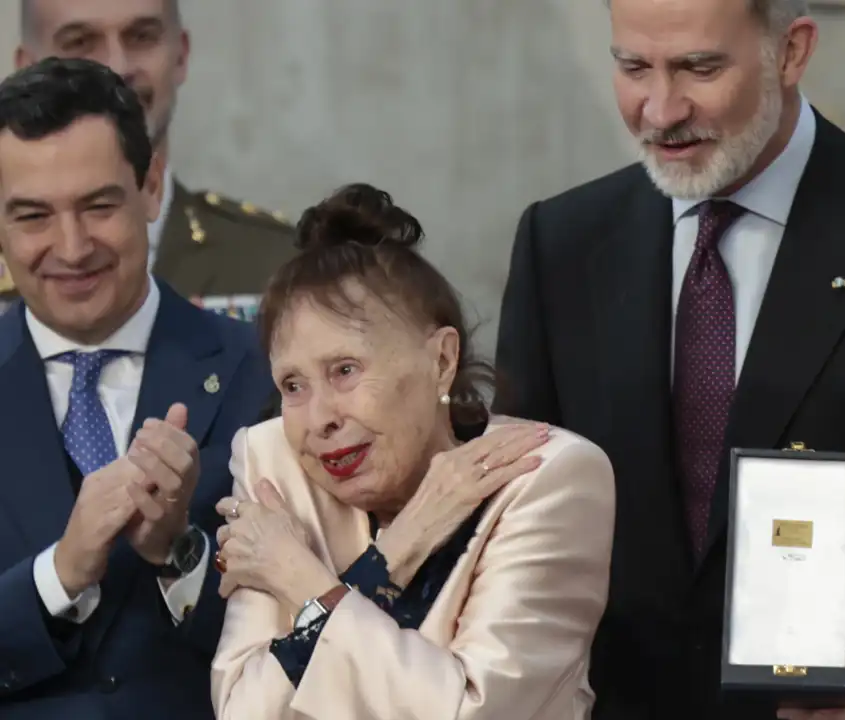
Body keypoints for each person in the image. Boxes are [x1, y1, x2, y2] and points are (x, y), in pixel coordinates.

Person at [493, 0, 845, 718]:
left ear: (792, 51)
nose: (660, 109)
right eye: (633, 68)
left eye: (699, 68)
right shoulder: (559, 245)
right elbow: (523, 533)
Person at [209, 183, 616, 719]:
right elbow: (244, 714)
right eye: (292, 385)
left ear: (442, 360)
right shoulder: (275, 464)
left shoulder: (548, 477)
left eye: (345, 370)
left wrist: (299, 578)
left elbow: (473, 713)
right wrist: (394, 554)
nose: (320, 417)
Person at [0, 57, 274, 719]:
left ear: (150, 186)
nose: (70, 247)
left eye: (98, 206)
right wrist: (58, 574)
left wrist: (179, 554)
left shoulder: (266, 374)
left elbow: (319, 631)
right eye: (33, 216)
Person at [3, 0, 296, 314]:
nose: (116, 68)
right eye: (80, 42)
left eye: (141, 37)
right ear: (28, 69)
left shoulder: (280, 264)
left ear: (180, 55)